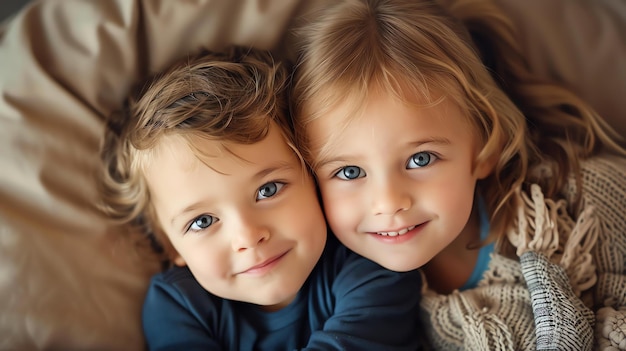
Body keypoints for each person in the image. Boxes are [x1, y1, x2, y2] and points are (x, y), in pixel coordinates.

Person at [290, 0, 626, 350]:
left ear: (484, 147)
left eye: (420, 159)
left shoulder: (582, 198)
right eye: (349, 171)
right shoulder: (343, 298)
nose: (389, 202)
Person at [98, 47, 423, 350]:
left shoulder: (374, 263)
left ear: (312, 176)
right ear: (170, 246)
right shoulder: (177, 305)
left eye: (268, 190)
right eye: (202, 221)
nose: (248, 236)